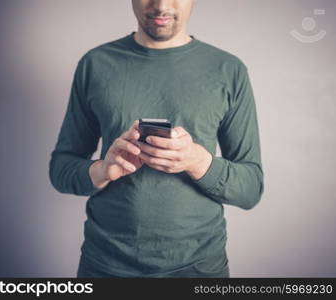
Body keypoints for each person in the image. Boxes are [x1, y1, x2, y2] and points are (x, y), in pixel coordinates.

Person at [49, 0, 264, 278]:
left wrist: (198, 162)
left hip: (198, 269)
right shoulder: (95, 64)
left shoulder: (229, 70)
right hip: (105, 266)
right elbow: (60, 169)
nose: (161, 5)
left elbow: (250, 189)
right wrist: (103, 170)